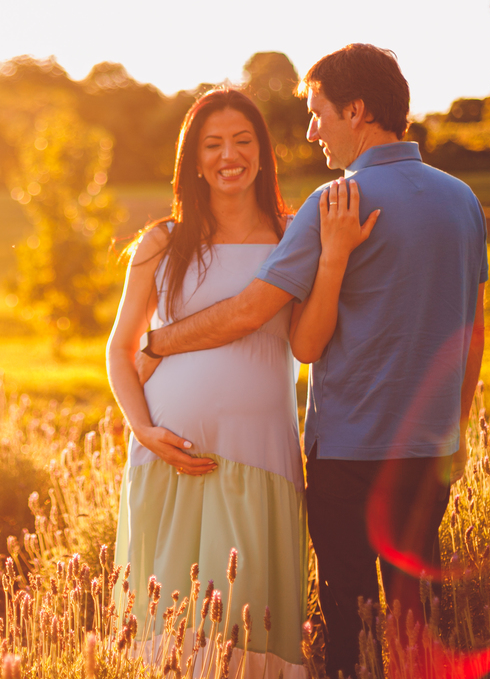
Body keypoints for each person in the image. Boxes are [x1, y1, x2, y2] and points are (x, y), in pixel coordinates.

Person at [138, 45, 487, 679]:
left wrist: (158, 342)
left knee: (350, 621)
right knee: (419, 618)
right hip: (429, 452)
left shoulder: (336, 202)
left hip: (348, 454)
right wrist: (454, 432)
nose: (311, 129)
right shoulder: (462, 200)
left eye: (317, 111)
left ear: (355, 111)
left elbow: (252, 313)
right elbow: (472, 333)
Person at [107, 86, 378, 677]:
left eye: (242, 141)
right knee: (169, 631)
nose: (228, 155)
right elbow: (120, 348)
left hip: (262, 459)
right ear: (192, 159)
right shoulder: (161, 243)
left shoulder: (292, 234)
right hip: (168, 459)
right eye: (212, 144)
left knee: (250, 628)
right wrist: (143, 430)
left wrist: (332, 260)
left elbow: (306, 346)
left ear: (262, 153)